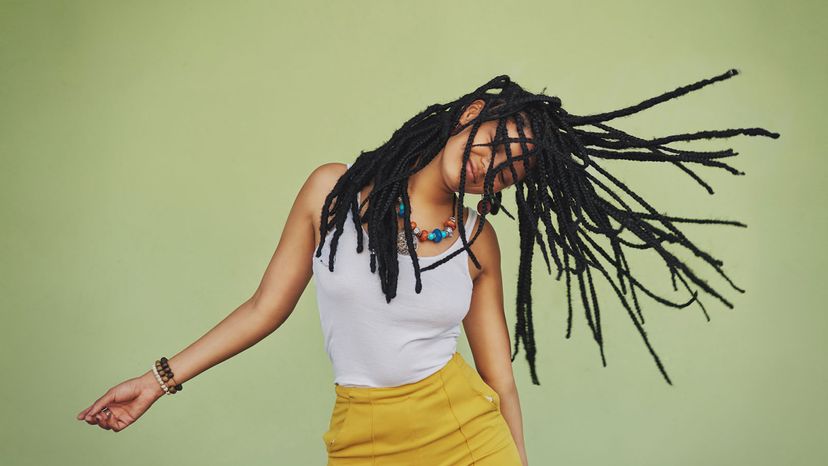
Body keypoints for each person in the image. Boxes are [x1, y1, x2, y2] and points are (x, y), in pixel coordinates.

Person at [76, 70, 779, 466]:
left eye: (512, 167)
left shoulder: (478, 243)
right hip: (362, 437)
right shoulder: (332, 191)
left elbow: (499, 373)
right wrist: (157, 381)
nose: (491, 163)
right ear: (471, 112)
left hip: (469, 439)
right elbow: (267, 308)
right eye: (495, 140)